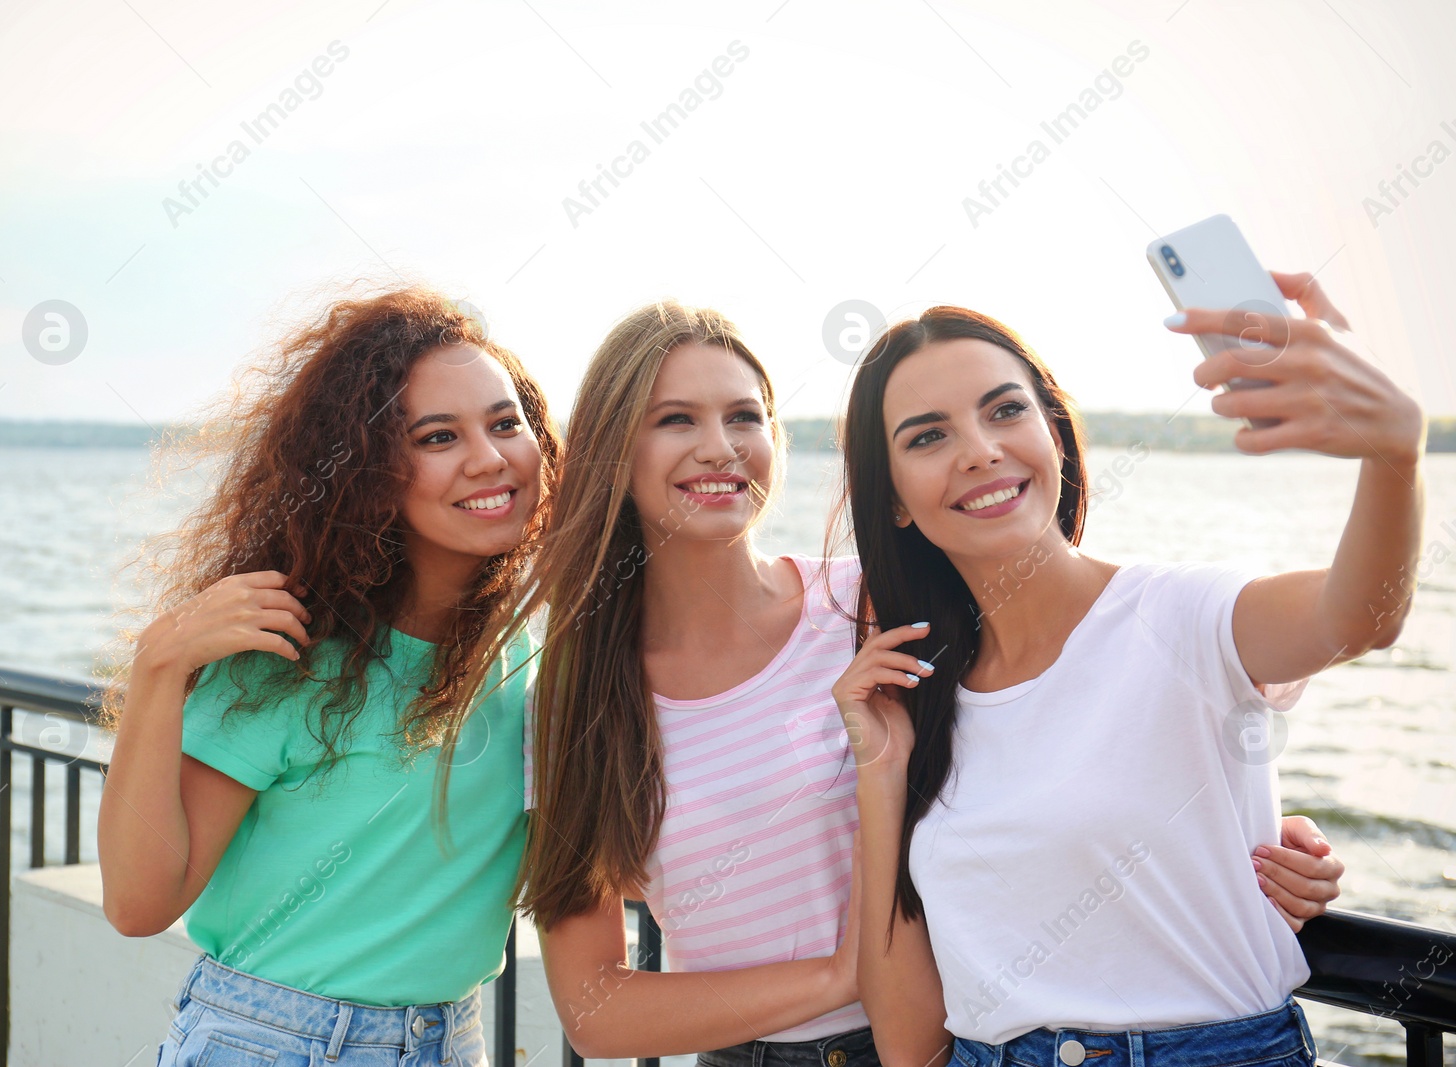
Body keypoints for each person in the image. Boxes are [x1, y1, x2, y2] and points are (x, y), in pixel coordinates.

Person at [461, 299, 1347, 1066]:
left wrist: (1253, 825)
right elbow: (595, 1009)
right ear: (615, 453)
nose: (721, 447)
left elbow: (1072, 713)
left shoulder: (878, 608)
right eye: (676, 419)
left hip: (955, 1040)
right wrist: (848, 974)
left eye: (745, 415)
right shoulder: (578, 699)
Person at [834, 274, 1422, 1067]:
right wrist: (881, 772)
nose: (980, 450)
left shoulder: (1181, 613)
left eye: (1006, 410)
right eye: (927, 436)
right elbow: (908, 1047)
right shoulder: (920, 702)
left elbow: (1360, 616)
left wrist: (1392, 451)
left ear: (1053, 432)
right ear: (896, 497)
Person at [96, 286, 559, 1067]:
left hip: (453, 1041)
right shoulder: (290, 651)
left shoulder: (527, 649)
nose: (490, 457)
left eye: (506, 422)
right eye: (439, 435)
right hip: (274, 1042)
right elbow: (140, 902)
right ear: (370, 472)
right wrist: (158, 666)